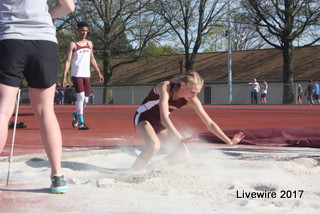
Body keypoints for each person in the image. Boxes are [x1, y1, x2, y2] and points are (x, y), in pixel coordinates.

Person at [0, 0, 75, 193]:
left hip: (9, 40)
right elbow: (68, 6)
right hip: (44, 42)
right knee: (45, 111)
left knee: (3, 110)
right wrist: (43, 15)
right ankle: (58, 175)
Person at [132, 71, 244, 170]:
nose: (194, 95)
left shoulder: (192, 100)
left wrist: (228, 141)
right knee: (154, 146)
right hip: (144, 118)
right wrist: (180, 137)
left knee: (183, 155)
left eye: (197, 93)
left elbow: (209, 123)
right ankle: (133, 172)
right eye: (192, 91)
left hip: (158, 124)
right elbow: (164, 118)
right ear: (183, 85)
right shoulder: (165, 87)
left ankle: (150, 168)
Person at [62, 22, 104, 130]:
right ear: (77, 31)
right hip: (77, 74)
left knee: (85, 99)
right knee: (80, 97)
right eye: (82, 30)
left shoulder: (89, 44)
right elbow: (68, 60)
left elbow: (92, 59)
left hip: (87, 74)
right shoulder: (73, 44)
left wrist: (99, 72)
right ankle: (81, 122)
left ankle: (76, 114)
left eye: (86, 30)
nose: (84, 32)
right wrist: (64, 77)